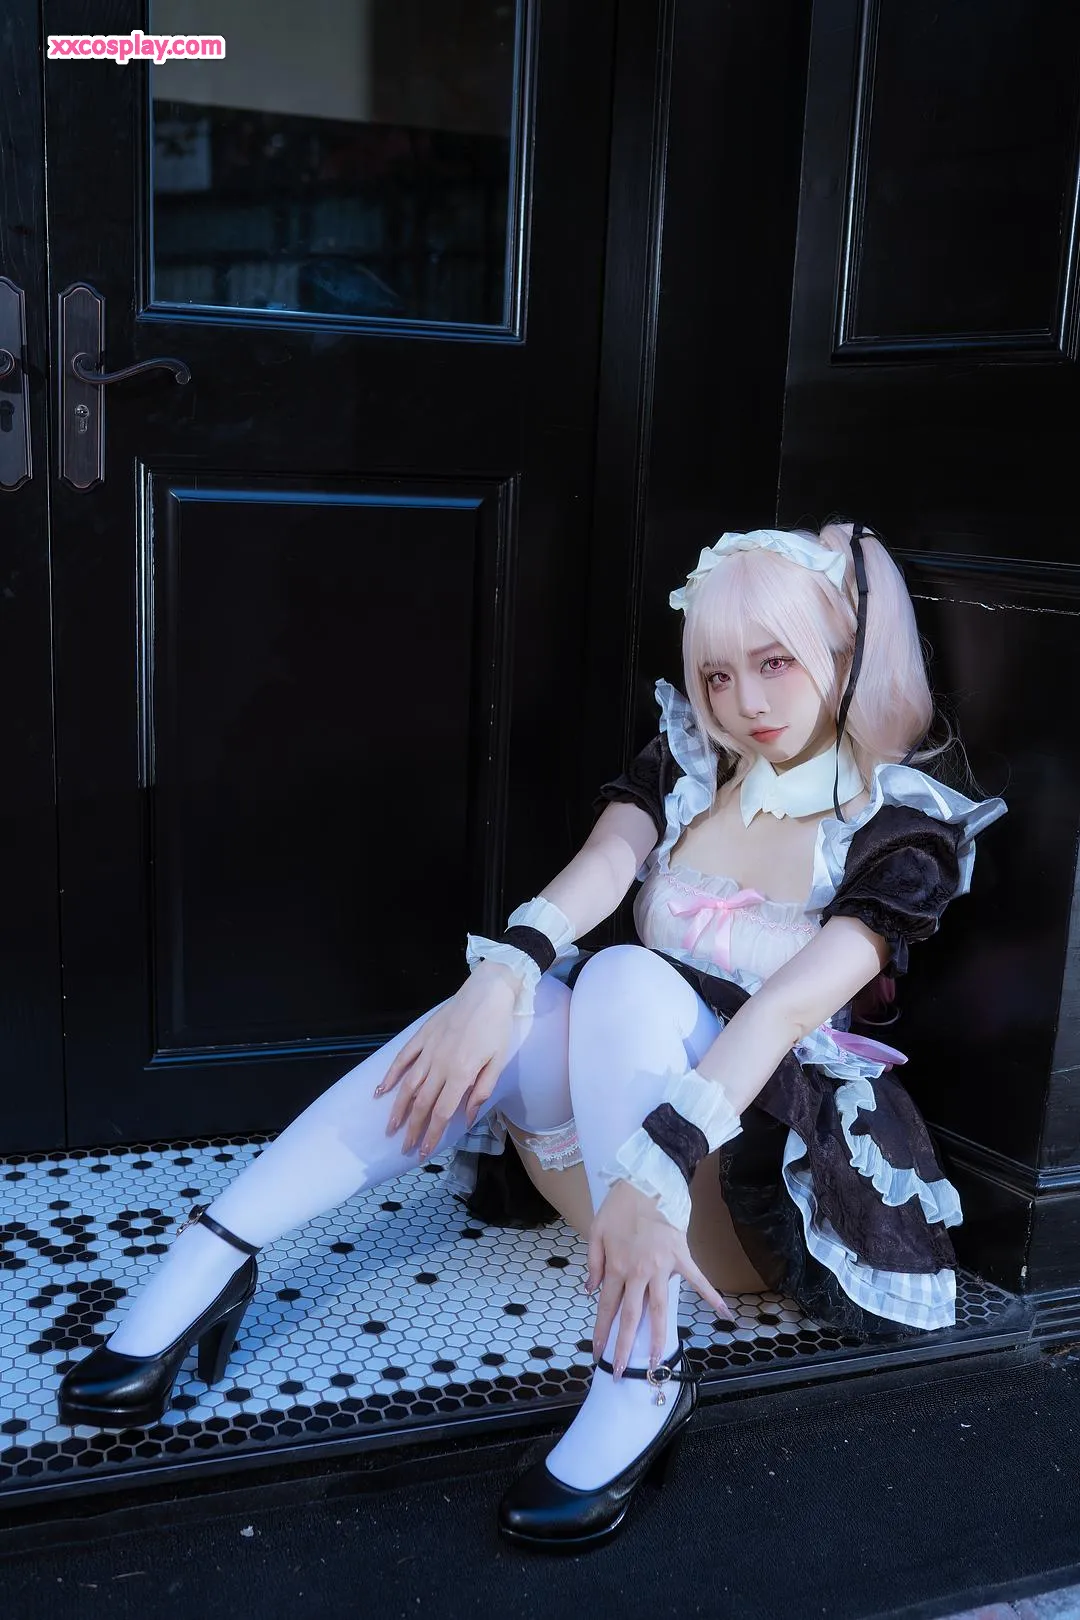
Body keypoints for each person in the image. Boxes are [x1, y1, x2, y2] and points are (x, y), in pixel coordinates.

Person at [57, 520, 1006, 1551]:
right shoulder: (694, 765)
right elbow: (603, 865)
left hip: (726, 1197)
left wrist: (658, 1166)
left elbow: (780, 1012)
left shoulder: (899, 830)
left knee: (621, 976)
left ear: (846, 654)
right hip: (600, 1172)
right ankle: (214, 1253)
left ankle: (640, 1377)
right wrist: (500, 977)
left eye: (775, 663)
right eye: (719, 674)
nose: (745, 702)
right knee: (541, 996)